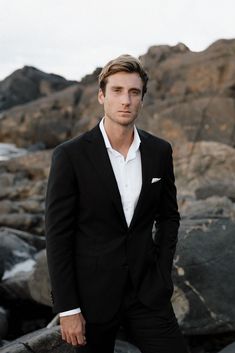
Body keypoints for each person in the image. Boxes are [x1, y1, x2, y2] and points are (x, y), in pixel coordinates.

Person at [45, 54, 188, 353]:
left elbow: (169, 217)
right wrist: (68, 308)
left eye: (134, 92)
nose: (126, 100)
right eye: (117, 91)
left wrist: (162, 274)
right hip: (91, 298)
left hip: (147, 292)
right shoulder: (70, 156)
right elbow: (58, 236)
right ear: (102, 96)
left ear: (142, 99)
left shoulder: (159, 151)